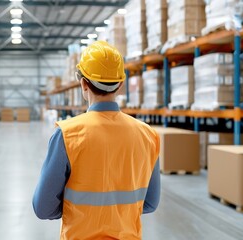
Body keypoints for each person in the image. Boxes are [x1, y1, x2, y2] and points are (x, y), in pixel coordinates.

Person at [32, 41, 161, 240]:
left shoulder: (67, 134)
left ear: (83, 83)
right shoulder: (147, 135)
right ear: (121, 84)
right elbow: (150, 203)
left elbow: (43, 208)